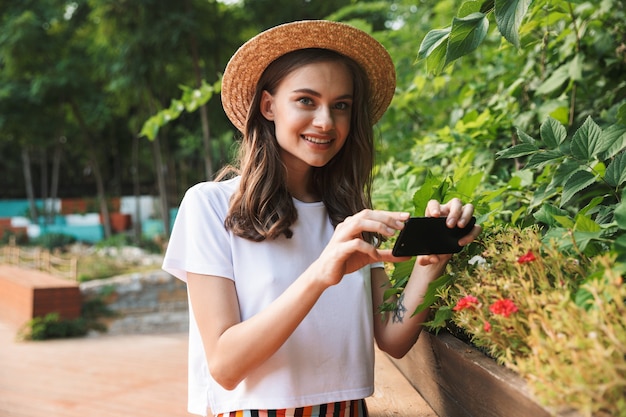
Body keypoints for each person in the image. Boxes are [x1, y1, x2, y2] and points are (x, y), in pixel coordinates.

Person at [163, 20, 481, 417]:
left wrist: (430, 263)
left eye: (341, 105)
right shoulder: (210, 205)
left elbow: (394, 338)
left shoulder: (347, 213)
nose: (326, 122)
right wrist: (320, 274)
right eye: (306, 101)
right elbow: (226, 367)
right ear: (268, 106)